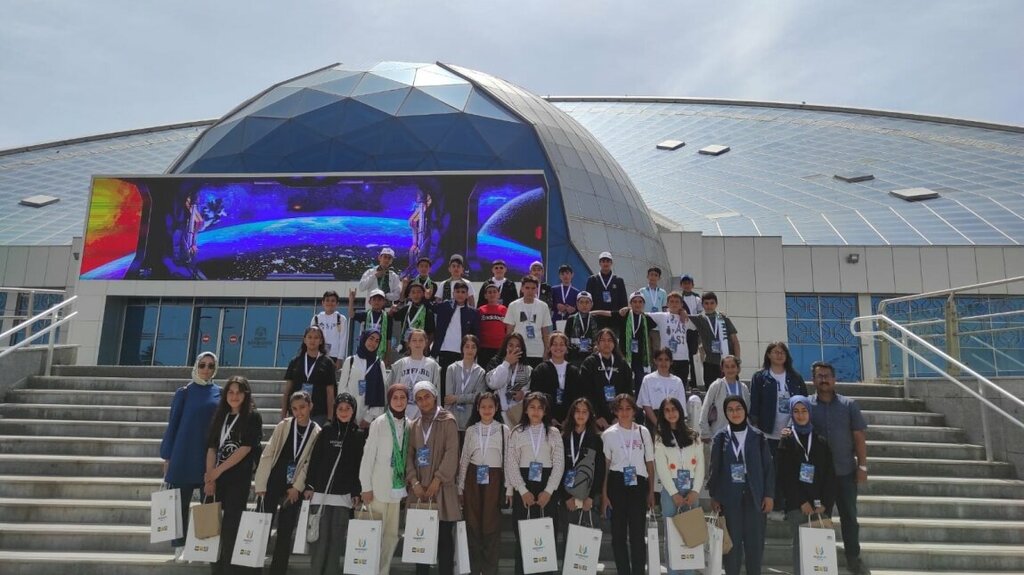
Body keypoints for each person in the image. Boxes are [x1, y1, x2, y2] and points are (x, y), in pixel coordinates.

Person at [808, 361, 870, 575]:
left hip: (845, 472)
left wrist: (862, 466)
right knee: (819, 517)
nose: (823, 379)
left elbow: (859, 436)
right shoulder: (807, 405)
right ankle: (817, 559)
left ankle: (853, 557)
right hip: (819, 476)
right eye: (819, 376)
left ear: (834, 379)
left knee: (849, 517)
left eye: (827, 375)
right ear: (813, 380)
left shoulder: (848, 405)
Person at [160, 351, 222, 560]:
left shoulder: (220, 393)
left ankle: (204, 547)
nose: (206, 369)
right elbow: (173, 425)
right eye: (203, 365)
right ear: (196, 366)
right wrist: (167, 456)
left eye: (211, 366)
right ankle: (179, 546)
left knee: (208, 502)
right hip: (184, 453)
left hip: (208, 455)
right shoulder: (184, 392)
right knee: (180, 502)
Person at [254, 391, 321, 575]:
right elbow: (268, 453)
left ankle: (278, 570)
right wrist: (260, 485)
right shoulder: (284, 425)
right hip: (274, 479)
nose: (299, 412)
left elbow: (309, 462)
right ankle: (254, 567)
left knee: (285, 531)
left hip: (294, 486)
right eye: (294, 408)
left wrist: (297, 488)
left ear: (310, 406)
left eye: (302, 407)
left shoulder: (316, 431)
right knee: (262, 526)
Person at [301, 392, 366, 575]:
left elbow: (358, 466)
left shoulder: (358, 435)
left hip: (343, 497)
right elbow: (315, 460)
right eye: (340, 409)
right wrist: (310, 486)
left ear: (353, 411)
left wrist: (356, 492)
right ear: (335, 410)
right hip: (320, 494)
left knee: (336, 542)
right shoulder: (326, 431)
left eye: (348, 409)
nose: (344, 412)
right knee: (319, 542)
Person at [708, 396, 774, 575]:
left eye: (738, 408)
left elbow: (768, 468)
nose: (735, 413)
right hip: (730, 499)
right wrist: (714, 496)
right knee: (732, 547)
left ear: (745, 410)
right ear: (726, 413)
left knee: (755, 545)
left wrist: (769, 495)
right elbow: (714, 469)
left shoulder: (758, 436)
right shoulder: (721, 437)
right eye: (730, 409)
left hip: (755, 497)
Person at [203, 375, 261, 575]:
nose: (234, 396)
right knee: (211, 530)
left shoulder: (252, 417)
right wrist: (210, 477)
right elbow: (211, 447)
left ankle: (230, 570)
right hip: (216, 480)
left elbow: (245, 448)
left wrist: (217, 472)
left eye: (239, 392)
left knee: (231, 530)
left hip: (237, 481)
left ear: (246, 395)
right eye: (231, 391)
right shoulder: (220, 416)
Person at [505, 392, 564, 575]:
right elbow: (511, 463)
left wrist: (549, 491)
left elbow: (559, 463)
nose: (536, 411)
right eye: (532, 407)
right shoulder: (517, 431)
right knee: (523, 536)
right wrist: (522, 490)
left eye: (540, 407)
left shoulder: (553, 432)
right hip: (524, 485)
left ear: (545, 411)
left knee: (546, 536)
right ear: (526, 409)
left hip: (547, 487)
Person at [406, 381, 462, 575]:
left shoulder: (448, 421)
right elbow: (409, 456)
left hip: (442, 491)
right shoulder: (414, 425)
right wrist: (414, 482)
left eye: (426, 396)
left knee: (444, 543)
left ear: (435, 396)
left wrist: (438, 479)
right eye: (419, 399)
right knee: (420, 544)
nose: (423, 402)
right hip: (420, 492)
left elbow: (452, 452)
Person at [777, 395, 837, 575]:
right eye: (796, 411)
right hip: (798, 506)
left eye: (804, 411)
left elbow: (829, 475)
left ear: (810, 413)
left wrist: (825, 503)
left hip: (820, 506)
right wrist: (801, 501)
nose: (800, 415)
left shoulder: (820, 440)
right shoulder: (786, 440)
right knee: (800, 548)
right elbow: (784, 476)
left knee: (821, 553)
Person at [601, 394, 656, 575]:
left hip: (638, 484)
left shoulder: (643, 431)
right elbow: (606, 467)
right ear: (615, 411)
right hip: (616, 484)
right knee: (618, 536)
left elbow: (649, 462)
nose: (624, 412)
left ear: (634, 411)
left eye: (628, 408)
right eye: (620, 408)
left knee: (638, 535)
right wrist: (604, 494)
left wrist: (651, 491)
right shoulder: (608, 434)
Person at [359, 383, 411, 575]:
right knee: (374, 534)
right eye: (395, 398)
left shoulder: (409, 424)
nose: (399, 401)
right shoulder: (379, 422)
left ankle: (383, 571)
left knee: (391, 535)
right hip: (377, 488)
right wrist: (366, 487)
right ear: (389, 400)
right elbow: (368, 456)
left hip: (396, 490)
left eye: (403, 398)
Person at [458, 391, 511, 575]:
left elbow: (508, 460)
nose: (487, 410)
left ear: (496, 408)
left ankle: (489, 570)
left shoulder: (504, 430)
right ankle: (474, 569)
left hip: (494, 479)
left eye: (490, 407)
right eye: (483, 407)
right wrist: (460, 487)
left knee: (491, 525)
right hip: (473, 478)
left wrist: (509, 489)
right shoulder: (471, 429)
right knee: (472, 523)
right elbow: (464, 459)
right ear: (477, 409)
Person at [654, 397, 705, 575]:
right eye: (666, 410)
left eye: (674, 409)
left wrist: (696, 490)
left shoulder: (694, 435)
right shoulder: (660, 438)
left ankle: (689, 572)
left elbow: (700, 466)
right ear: (663, 414)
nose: (671, 413)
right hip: (671, 489)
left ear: (680, 411)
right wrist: (674, 493)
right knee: (672, 536)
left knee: (691, 533)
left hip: (691, 487)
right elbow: (661, 468)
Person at [558, 397, 605, 555]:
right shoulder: (563, 438)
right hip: (568, 497)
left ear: (590, 415)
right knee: (569, 541)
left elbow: (599, 470)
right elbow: (558, 469)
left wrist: (591, 497)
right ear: (571, 414)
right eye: (577, 411)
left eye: (585, 412)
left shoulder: (596, 439)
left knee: (586, 546)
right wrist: (565, 497)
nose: (580, 415)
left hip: (589, 498)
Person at [750, 342, 809, 453]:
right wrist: (755, 428)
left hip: (791, 433)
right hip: (767, 432)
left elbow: (804, 401)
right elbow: (755, 403)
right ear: (768, 355)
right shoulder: (759, 377)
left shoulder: (795, 377)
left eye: (783, 353)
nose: (780, 355)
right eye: (776, 352)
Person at [578, 328, 633, 429]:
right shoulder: (589, 363)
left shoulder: (622, 363)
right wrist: (597, 416)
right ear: (597, 344)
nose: (606, 343)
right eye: (602, 340)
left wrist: (619, 415)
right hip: (595, 418)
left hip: (619, 417)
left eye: (609, 340)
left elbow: (628, 391)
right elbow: (586, 392)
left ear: (614, 343)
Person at [282, 326, 337, 426]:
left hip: (319, 415)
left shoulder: (328, 363)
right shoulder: (295, 361)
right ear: (304, 340)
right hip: (296, 413)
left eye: (316, 338)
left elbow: (330, 393)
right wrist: (283, 415)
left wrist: (329, 418)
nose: (312, 340)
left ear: (321, 341)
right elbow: (287, 392)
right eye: (310, 337)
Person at [432, 279, 481, 390]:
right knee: (443, 383)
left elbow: (476, 335)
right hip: (444, 351)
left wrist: (474, 354)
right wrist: (426, 296)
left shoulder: (473, 313)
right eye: (457, 291)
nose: (460, 294)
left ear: (467, 294)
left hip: (462, 353)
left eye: (463, 292)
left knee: (459, 385)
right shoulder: (444, 306)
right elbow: (430, 306)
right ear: (453, 293)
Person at [610, 292, 659, 395]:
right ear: (630, 304)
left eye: (640, 302)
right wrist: (592, 312)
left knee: (640, 383)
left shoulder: (646, 319)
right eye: (635, 301)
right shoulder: (625, 315)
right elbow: (609, 314)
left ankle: (639, 407)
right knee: (624, 382)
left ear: (643, 304)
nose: (637, 304)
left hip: (640, 358)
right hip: (625, 356)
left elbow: (655, 323)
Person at [387, 329, 441, 419]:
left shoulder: (433, 365)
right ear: (409, 343)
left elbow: (437, 392)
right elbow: (389, 389)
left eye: (421, 340)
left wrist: (437, 414)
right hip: (401, 413)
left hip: (423, 414)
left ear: (426, 343)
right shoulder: (400, 364)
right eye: (414, 340)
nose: (417, 343)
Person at [529, 332, 579, 424]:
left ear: (567, 348)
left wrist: (570, 419)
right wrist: (549, 418)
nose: (558, 348)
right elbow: (536, 395)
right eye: (554, 344)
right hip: (546, 419)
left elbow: (577, 396)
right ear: (549, 347)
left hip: (570, 421)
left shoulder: (574, 370)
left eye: (562, 344)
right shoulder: (541, 369)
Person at [504, 275, 553, 368]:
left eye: (533, 288)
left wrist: (547, 350)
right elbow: (509, 331)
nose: (530, 291)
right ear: (522, 288)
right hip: (518, 350)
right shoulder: (513, 305)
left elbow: (545, 331)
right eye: (527, 288)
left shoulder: (543, 306)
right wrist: (507, 350)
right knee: (518, 380)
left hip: (537, 350)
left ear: (537, 290)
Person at [339, 331, 385, 428]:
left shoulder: (379, 364)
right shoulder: (350, 361)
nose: (373, 343)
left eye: (377, 341)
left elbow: (381, 392)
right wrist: (346, 412)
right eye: (371, 339)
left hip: (369, 419)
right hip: (347, 415)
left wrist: (368, 418)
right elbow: (342, 388)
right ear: (364, 339)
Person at [695, 291, 741, 389]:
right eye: (706, 303)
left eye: (712, 303)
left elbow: (735, 341)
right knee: (712, 392)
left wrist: (738, 362)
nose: (709, 306)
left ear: (716, 304)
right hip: (710, 363)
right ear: (702, 305)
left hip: (727, 363)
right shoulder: (699, 319)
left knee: (730, 391)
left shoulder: (723, 318)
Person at [485, 333, 533, 425]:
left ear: (522, 349)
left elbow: (530, 392)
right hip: (497, 415)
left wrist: (523, 394)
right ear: (505, 346)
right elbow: (493, 384)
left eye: (517, 346)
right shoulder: (495, 363)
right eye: (510, 345)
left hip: (517, 415)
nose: (514, 349)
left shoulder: (528, 369)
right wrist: (506, 363)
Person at [700, 355, 750, 441]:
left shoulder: (743, 387)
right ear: (722, 369)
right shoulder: (716, 385)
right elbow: (705, 408)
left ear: (738, 368)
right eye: (727, 367)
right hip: (719, 432)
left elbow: (747, 410)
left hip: (740, 433)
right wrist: (705, 432)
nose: (730, 370)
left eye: (733, 366)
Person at [637, 348, 690, 428]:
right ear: (655, 361)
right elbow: (646, 405)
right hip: (654, 420)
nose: (663, 363)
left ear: (671, 362)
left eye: (666, 360)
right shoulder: (648, 379)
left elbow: (681, 406)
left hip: (673, 420)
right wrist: (658, 425)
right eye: (660, 359)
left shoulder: (677, 381)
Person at [444, 334, 487, 432]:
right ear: (462, 348)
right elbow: (448, 398)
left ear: (477, 350)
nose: (470, 350)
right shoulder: (452, 368)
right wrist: (467, 397)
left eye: (473, 347)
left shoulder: (481, 372)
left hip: (471, 420)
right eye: (467, 346)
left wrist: (457, 398)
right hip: (452, 418)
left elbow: (478, 397)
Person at [647, 291, 691, 384]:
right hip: (667, 359)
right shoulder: (661, 316)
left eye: (677, 302)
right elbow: (641, 313)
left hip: (683, 358)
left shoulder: (686, 318)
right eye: (671, 301)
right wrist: (627, 308)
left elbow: (702, 319)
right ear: (667, 304)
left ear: (681, 304)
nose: (674, 304)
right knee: (666, 386)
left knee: (680, 387)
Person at [563, 291, 611, 365]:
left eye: (587, 302)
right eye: (581, 302)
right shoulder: (571, 319)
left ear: (592, 304)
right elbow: (566, 339)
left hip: (592, 356)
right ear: (577, 304)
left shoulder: (596, 319)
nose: (584, 305)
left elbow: (600, 338)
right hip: (574, 357)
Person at [311, 290, 352, 369]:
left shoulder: (341, 319)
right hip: (318, 354)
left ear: (337, 304)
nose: (330, 303)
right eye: (327, 300)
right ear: (322, 303)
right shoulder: (316, 318)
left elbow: (343, 339)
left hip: (334, 356)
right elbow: (311, 338)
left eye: (333, 301)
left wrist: (340, 358)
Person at [391, 281, 435, 353]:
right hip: (406, 347)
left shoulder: (427, 310)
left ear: (423, 294)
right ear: (409, 295)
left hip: (421, 348)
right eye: (413, 292)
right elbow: (394, 317)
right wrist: (392, 310)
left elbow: (432, 333)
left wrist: (426, 347)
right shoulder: (405, 309)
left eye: (418, 292)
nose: (416, 295)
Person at [350, 288, 394, 361]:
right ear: (369, 302)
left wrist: (387, 357)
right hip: (365, 350)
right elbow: (351, 315)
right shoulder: (366, 314)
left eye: (379, 299)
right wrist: (351, 300)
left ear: (384, 302)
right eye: (374, 299)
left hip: (380, 352)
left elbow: (388, 338)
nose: (377, 302)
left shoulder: (388, 317)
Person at [584, 251, 627, 317]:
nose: (605, 263)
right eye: (603, 261)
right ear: (599, 263)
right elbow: (587, 299)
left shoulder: (619, 280)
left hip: (614, 316)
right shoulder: (592, 280)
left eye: (608, 261)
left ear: (611, 263)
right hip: (596, 316)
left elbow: (624, 301)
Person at [477, 283, 508, 368]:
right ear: (485, 296)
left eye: (494, 292)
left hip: (500, 348)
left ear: (499, 295)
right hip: (484, 348)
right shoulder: (480, 310)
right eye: (489, 292)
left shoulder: (504, 309)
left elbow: (508, 328)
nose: (492, 294)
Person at [678, 275, 702, 388]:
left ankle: (694, 383)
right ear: (681, 285)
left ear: (693, 285)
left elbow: (700, 314)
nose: (686, 285)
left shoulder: (697, 298)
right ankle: (682, 381)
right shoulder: (678, 298)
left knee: (692, 357)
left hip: (692, 331)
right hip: (681, 331)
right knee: (682, 356)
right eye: (684, 283)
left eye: (689, 283)